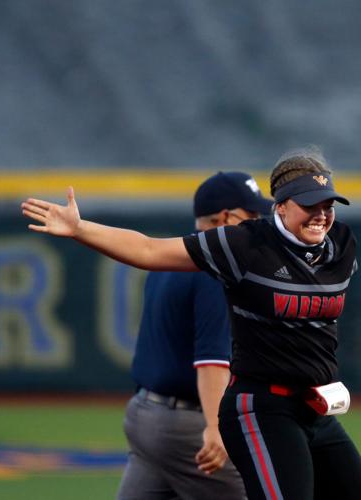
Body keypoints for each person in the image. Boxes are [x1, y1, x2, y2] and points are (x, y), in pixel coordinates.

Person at [21, 147, 361, 500]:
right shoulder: (246, 244)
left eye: (327, 205)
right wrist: (80, 228)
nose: (321, 215)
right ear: (280, 206)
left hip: (316, 410)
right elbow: (149, 251)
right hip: (262, 409)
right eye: (309, 205)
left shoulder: (341, 245)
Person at [117, 171, 273, 500]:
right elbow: (212, 361)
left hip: (145, 414)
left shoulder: (172, 259)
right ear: (227, 219)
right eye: (254, 215)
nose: (261, 224)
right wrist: (217, 428)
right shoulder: (215, 270)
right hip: (189, 425)